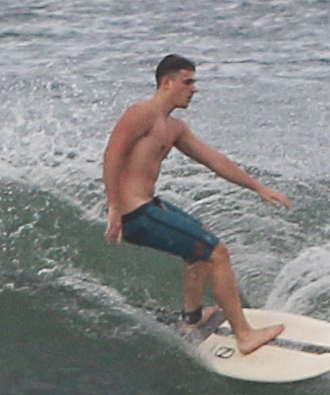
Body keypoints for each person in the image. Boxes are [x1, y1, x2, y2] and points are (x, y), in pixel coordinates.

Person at [102, 54, 291, 355]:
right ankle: (244, 335)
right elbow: (112, 155)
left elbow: (214, 160)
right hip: (135, 213)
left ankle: (191, 319)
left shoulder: (174, 127)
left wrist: (258, 187)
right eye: (187, 81)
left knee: (199, 249)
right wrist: (113, 207)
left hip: (149, 205)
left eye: (194, 82)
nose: (194, 89)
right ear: (167, 83)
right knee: (217, 251)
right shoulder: (140, 113)